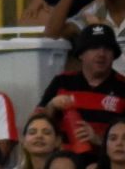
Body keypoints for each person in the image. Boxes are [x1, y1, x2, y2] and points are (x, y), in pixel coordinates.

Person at [40, 25, 125, 157]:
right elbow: (35, 124)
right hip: (62, 163)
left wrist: (98, 140)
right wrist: (51, 106)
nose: (101, 54)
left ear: (114, 55)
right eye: (94, 47)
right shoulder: (62, 82)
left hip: (106, 165)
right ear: (81, 54)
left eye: (107, 48)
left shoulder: (123, 86)